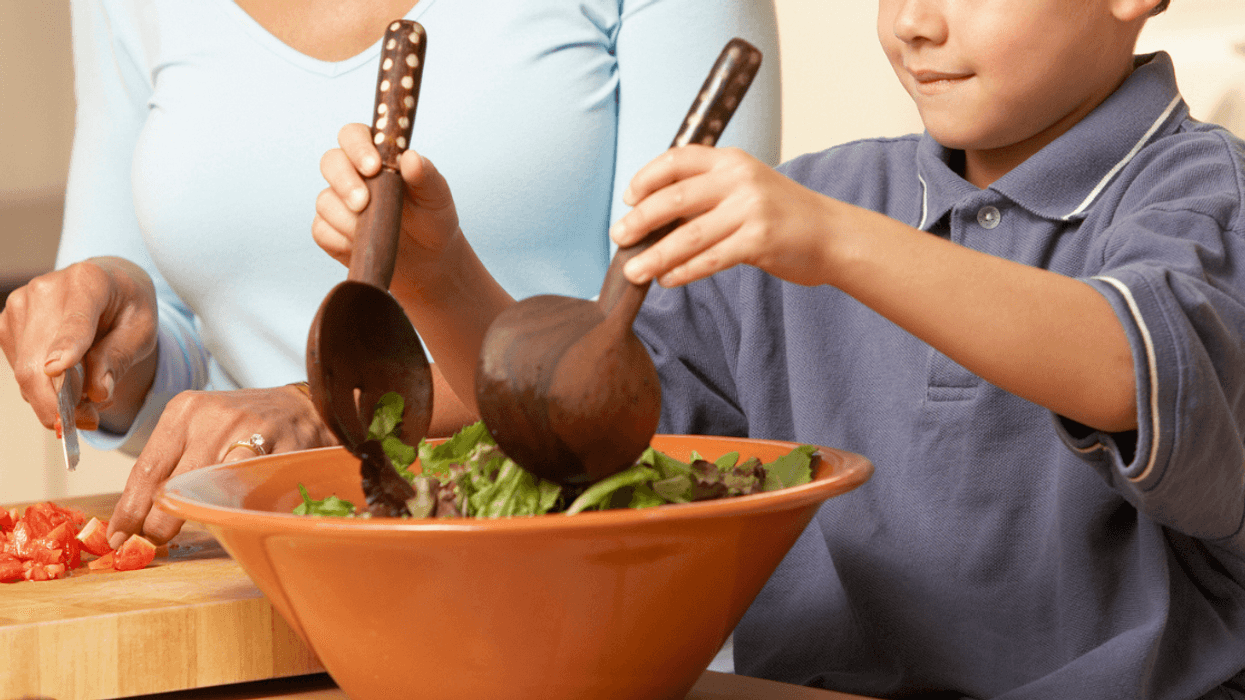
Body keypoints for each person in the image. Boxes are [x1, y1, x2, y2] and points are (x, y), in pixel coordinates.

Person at [315, 0, 1245, 696]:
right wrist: (437, 276)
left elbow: (1130, 365)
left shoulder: (1202, 191)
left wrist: (836, 243)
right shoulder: (825, 195)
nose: (914, 23)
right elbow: (580, 409)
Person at [0, 0, 781, 550]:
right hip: (278, 578)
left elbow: (683, 359)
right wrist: (116, 347)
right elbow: (184, 376)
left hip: (578, 568)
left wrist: (324, 414)